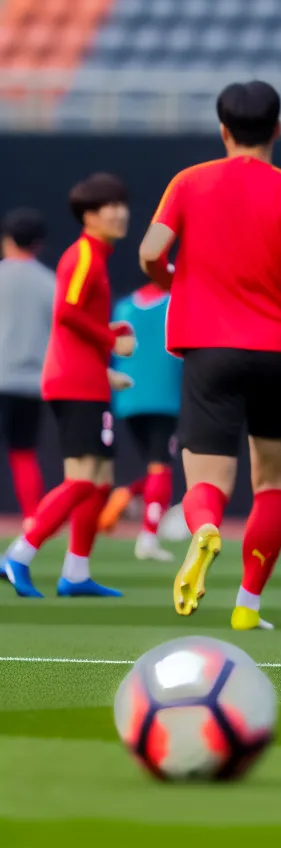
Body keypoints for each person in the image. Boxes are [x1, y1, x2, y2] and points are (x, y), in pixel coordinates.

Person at [139, 80, 281, 631]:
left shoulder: (189, 183)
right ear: (276, 129)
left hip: (209, 348)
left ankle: (203, 527)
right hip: (276, 350)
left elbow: (151, 252)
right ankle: (248, 606)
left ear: (223, 129)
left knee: (206, 481)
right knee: (272, 483)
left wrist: (174, 278)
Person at [2, 175, 135, 597]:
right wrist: (111, 339)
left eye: (121, 204)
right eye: (107, 206)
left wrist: (105, 360)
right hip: (74, 384)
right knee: (82, 479)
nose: (119, 213)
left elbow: (78, 320)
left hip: (87, 379)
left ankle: (75, 572)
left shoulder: (94, 256)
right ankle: (19, 554)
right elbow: (68, 312)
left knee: (99, 479)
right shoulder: (84, 256)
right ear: (88, 216)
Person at [103, 282, 182, 562]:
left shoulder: (124, 306)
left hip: (129, 397)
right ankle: (148, 537)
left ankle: (127, 494)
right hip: (166, 396)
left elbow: (113, 350)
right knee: (161, 466)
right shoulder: (176, 303)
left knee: (155, 465)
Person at [0, 208, 55, 523]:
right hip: (32, 382)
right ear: (39, 244)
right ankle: (32, 522)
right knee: (24, 454)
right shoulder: (50, 283)